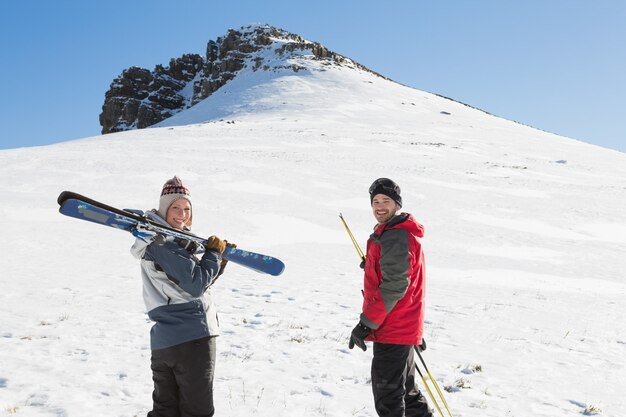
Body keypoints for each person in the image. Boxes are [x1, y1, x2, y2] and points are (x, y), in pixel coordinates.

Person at [130, 176, 233, 417]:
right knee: (197, 412)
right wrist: (213, 255)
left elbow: (188, 285)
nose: (182, 214)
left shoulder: (158, 242)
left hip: (165, 342)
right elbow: (195, 285)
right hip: (192, 338)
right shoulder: (162, 241)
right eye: (175, 207)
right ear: (164, 209)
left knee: (166, 411)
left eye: (187, 209)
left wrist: (219, 261)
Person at [348, 178, 433, 417]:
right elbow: (403, 277)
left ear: (397, 205)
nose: (380, 206)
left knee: (389, 398)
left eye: (386, 200)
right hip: (402, 329)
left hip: (393, 329)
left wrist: (366, 324)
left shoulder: (395, 236)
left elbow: (395, 286)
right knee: (406, 393)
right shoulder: (396, 234)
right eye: (375, 201)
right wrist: (374, 265)